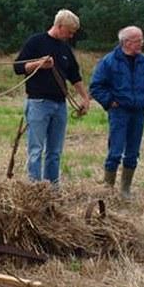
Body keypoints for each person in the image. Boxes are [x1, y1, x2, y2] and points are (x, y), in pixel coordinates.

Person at [89, 26, 144, 199]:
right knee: (115, 152)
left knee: (133, 153)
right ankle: (108, 189)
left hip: (138, 111)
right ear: (126, 42)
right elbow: (96, 86)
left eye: (142, 40)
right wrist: (110, 102)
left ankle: (125, 190)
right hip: (119, 112)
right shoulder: (108, 62)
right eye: (138, 40)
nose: (142, 43)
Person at [14, 9, 91, 185]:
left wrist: (85, 98)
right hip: (38, 103)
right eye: (69, 31)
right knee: (36, 149)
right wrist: (38, 65)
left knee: (55, 152)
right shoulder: (35, 42)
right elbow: (17, 68)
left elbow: (75, 76)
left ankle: (52, 188)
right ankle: (34, 188)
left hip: (60, 105)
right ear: (59, 26)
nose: (71, 36)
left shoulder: (65, 49)